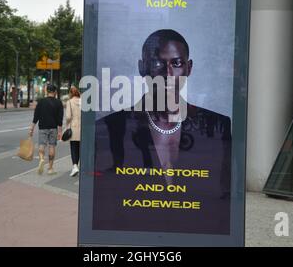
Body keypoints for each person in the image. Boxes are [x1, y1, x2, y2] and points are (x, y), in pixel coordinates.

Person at [93, 29, 232, 234]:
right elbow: (106, 199)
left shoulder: (218, 125)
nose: (167, 74)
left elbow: (225, 193)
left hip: (196, 231)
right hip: (137, 233)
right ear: (142, 68)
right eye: (158, 63)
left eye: (176, 63)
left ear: (188, 68)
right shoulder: (111, 124)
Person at [29, 84, 63, 175]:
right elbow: (60, 119)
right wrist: (60, 131)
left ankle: (41, 159)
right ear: (55, 92)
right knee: (52, 146)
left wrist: (31, 128)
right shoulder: (58, 102)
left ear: (47, 91)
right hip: (53, 127)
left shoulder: (41, 102)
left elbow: (36, 116)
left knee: (41, 145)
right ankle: (50, 168)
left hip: (43, 127)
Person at [66, 85, 81, 177]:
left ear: (70, 93)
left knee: (73, 147)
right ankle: (81, 166)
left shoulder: (70, 102)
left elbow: (68, 116)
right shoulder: (83, 101)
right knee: (80, 147)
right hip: (82, 127)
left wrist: (67, 124)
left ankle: (75, 166)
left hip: (74, 127)